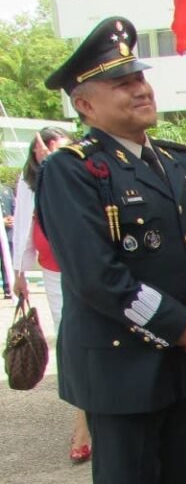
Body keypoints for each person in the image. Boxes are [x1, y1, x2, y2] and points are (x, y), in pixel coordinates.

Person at [38, 17, 186, 484]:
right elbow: (97, 276)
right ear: (85, 104)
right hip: (121, 369)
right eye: (122, 84)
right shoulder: (72, 171)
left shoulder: (177, 161)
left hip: (183, 361)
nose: (141, 90)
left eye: (140, 78)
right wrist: (177, 323)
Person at [12, 127, 94, 463]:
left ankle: (92, 416)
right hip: (54, 273)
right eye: (43, 150)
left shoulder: (82, 170)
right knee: (71, 343)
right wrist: (19, 271)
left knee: (92, 341)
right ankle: (83, 421)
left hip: (88, 270)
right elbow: (23, 225)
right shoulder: (29, 182)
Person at [0, 180, 14, 299]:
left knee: (8, 262)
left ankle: (9, 288)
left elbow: (14, 208)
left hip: (8, 233)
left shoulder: (7, 190)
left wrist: (13, 218)